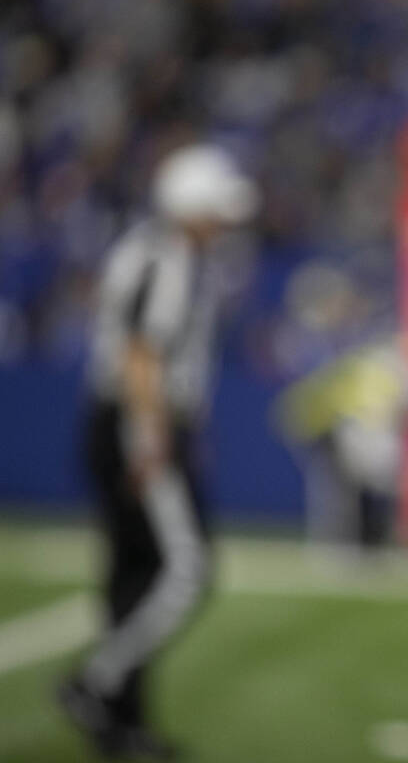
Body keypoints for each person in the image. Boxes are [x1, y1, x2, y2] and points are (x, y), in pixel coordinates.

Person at [58, 143, 258, 759]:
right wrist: (153, 440)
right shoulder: (168, 257)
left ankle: (121, 725)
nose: (223, 222)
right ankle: (97, 683)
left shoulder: (154, 250)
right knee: (185, 569)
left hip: (130, 420)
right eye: (213, 210)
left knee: (133, 575)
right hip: (137, 423)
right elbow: (142, 358)